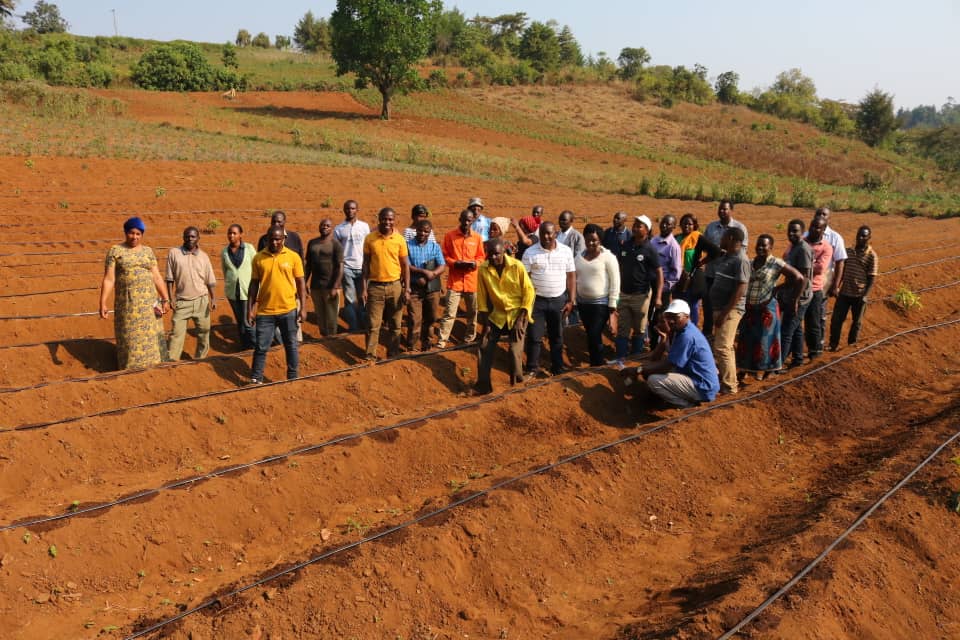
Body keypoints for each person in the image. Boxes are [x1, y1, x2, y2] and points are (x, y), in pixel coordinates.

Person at [99, 216, 169, 370]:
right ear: (125, 232)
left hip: (149, 304)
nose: (134, 237)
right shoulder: (115, 251)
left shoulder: (148, 251)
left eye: (138, 234)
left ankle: (155, 366)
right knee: (130, 336)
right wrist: (103, 302)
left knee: (150, 336)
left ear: (142, 235)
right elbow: (109, 279)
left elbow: (157, 276)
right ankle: (130, 369)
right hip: (128, 304)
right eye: (131, 233)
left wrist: (165, 298)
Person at [621, 299, 719, 408]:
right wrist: (643, 369)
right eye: (669, 317)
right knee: (651, 370)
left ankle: (687, 406)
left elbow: (668, 365)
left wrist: (639, 370)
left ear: (686, 317)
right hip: (695, 377)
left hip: (702, 386)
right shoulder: (681, 331)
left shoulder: (687, 336)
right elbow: (661, 360)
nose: (671, 321)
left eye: (675, 317)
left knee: (654, 381)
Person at [736, 234, 804, 379]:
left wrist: (791, 297)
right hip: (749, 308)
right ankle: (745, 369)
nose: (760, 248)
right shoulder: (750, 262)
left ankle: (766, 371)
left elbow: (799, 278)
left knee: (765, 341)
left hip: (766, 308)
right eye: (758, 245)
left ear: (771, 247)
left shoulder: (776, 263)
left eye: (764, 245)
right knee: (747, 339)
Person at [474, 237, 536, 394]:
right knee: (484, 346)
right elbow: (482, 298)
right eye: (490, 254)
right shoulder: (483, 269)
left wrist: (521, 320)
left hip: (517, 313)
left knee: (514, 351)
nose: (493, 258)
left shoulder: (517, 266)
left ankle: (516, 386)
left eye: (497, 254)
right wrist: (486, 324)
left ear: (504, 251)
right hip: (498, 314)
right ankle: (483, 386)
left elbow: (529, 292)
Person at [247, 225, 307, 384]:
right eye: (271, 239)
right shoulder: (259, 258)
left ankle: (293, 377)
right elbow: (253, 284)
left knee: (291, 345)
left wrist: (303, 308)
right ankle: (256, 377)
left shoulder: (293, 257)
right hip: (265, 312)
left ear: (284, 239)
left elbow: (300, 283)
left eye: (278, 239)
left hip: (288, 309)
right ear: (267, 239)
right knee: (261, 346)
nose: (274, 242)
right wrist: (250, 308)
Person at [522, 221, 576, 377]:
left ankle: (557, 368)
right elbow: (525, 279)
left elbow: (571, 276)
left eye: (549, 233)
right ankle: (532, 368)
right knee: (534, 336)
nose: (546, 236)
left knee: (557, 336)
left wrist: (571, 300)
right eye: (543, 233)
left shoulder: (565, 251)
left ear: (555, 234)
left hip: (558, 300)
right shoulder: (530, 252)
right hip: (537, 302)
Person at [361, 207, 411, 360]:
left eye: (390, 219)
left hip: (395, 286)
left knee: (395, 324)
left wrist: (407, 288)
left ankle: (393, 353)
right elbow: (365, 264)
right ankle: (370, 355)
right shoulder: (370, 238)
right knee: (373, 324)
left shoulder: (399, 239)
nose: (387, 222)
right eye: (384, 219)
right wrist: (363, 288)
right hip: (375, 287)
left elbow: (405, 266)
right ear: (379, 219)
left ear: (394, 220)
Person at [613, 215, 663, 361]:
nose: (635, 228)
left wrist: (658, 296)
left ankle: (635, 359)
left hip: (641, 295)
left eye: (639, 226)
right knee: (622, 329)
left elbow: (659, 273)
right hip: (624, 294)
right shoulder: (625, 245)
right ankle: (620, 358)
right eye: (634, 225)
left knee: (639, 329)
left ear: (647, 230)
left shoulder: (650, 249)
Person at [707, 227, 750, 395]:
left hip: (730, 311)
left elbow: (741, 289)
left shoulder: (741, 260)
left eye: (724, 236)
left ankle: (730, 387)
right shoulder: (727, 256)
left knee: (722, 347)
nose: (721, 239)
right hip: (720, 309)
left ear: (731, 238)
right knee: (725, 347)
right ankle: (729, 381)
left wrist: (725, 313)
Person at [165, 226, 217, 361]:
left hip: (201, 301)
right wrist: (171, 298)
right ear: (183, 237)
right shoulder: (174, 253)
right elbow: (170, 279)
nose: (190, 239)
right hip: (182, 301)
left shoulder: (204, 257)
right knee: (176, 333)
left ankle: (201, 359)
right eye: (187, 236)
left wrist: (213, 299)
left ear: (198, 238)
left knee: (204, 332)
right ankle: (172, 360)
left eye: (193, 236)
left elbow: (210, 280)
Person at [439, 209, 486, 348]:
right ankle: (442, 340)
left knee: (473, 313)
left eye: (469, 220)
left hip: (472, 281)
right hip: (455, 281)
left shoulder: (477, 238)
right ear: (459, 219)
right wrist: (455, 263)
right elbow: (444, 255)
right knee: (449, 312)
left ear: (472, 221)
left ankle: (469, 338)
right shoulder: (450, 236)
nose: (466, 222)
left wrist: (475, 264)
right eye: (464, 219)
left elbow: (481, 257)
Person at [575, 223, 620, 366]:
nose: (591, 243)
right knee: (590, 333)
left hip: (600, 303)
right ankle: (595, 360)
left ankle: (597, 364)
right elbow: (575, 276)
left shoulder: (608, 257)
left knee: (594, 333)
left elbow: (615, 281)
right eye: (588, 240)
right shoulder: (579, 256)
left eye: (594, 240)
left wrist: (612, 306)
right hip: (583, 303)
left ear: (600, 240)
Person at [829, 225, 878, 351]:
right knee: (836, 320)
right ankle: (833, 344)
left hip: (859, 295)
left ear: (869, 238)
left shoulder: (872, 255)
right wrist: (836, 287)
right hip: (844, 293)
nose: (860, 238)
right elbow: (842, 270)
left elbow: (872, 278)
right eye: (859, 235)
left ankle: (851, 347)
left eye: (864, 236)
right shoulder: (848, 252)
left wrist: (865, 295)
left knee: (857, 323)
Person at [809, 207, 847, 352]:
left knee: (820, 313)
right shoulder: (808, 234)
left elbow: (840, 262)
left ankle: (819, 343)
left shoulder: (835, 237)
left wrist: (836, 285)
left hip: (824, 279)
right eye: (818, 213)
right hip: (808, 279)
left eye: (824, 214)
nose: (821, 216)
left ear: (828, 218)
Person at [779, 219, 814, 370]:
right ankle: (798, 358)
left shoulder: (803, 249)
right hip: (791, 294)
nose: (791, 234)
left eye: (795, 231)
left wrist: (795, 300)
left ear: (802, 232)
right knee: (797, 328)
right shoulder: (794, 247)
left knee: (786, 330)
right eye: (790, 231)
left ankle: (776, 367)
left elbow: (804, 278)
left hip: (800, 297)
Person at [406, 218, 445, 352]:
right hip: (414, 289)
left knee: (431, 318)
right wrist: (423, 272)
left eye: (426, 231)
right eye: (420, 230)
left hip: (432, 289)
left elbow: (442, 265)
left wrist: (432, 274)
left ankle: (427, 343)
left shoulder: (435, 247)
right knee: (415, 319)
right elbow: (406, 266)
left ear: (430, 233)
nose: (422, 233)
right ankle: (412, 346)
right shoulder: (408, 245)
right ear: (416, 230)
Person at [334, 199, 370, 332]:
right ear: (344, 210)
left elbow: (368, 246)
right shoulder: (339, 229)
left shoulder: (364, 227)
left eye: (353, 208)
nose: (350, 211)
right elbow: (337, 250)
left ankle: (364, 326)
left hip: (362, 267)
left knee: (363, 298)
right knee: (349, 300)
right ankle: (354, 328)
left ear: (357, 210)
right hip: (347, 267)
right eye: (348, 209)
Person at [304, 218, 344, 337]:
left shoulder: (336, 244)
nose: (325, 227)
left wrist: (335, 287)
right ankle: (323, 337)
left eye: (327, 225)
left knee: (331, 316)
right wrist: (304, 282)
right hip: (316, 286)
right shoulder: (312, 243)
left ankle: (332, 339)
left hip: (330, 286)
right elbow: (308, 265)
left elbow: (340, 267)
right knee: (320, 315)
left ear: (331, 228)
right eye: (322, 225)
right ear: (319, 227)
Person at [221, 224, 257, 349]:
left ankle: (255, 347)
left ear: (241, 234)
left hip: (247, 291)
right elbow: (225, 271)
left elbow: (257, 268)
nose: (231, 235)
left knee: (248, 321)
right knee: (240, 322)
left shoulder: (249, 248)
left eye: (234, 233)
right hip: (232, 292)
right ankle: (245, 346)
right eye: (229, 233)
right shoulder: (225, 251)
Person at [803, 216, 834, 362]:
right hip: (798, 287)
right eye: (812, 226)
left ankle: (814, 352)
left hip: (815, 289)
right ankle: (796, 354)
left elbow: (820, 268)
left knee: (813, 322)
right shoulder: (802, 242)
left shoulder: (826, 247)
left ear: (823, 230)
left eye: (818, 227)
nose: (814, 229)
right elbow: (788, 257)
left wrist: (802, 265)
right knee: (794, 323)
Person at [649, 214, 682, 348]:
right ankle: (652, 344)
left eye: (669, 224)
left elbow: (676, 273)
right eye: (663, 222)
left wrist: (664, 287)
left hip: (663, 289)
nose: (664, 225)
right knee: (649, 317)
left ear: (674, 227)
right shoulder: (653, 241)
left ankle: (658, 346)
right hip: (650, 286)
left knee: (659, 318)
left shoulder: (673, 246)